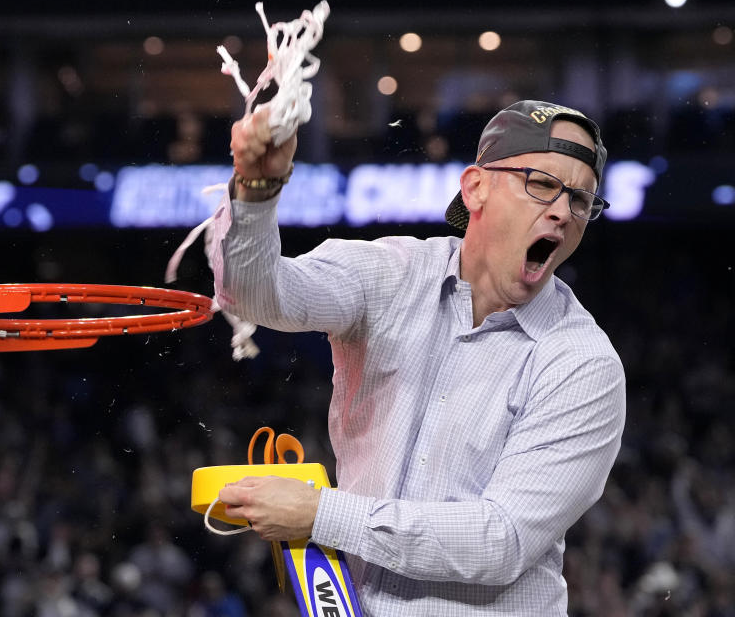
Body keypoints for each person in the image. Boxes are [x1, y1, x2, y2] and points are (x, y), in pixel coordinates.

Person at [212, 100, 626, 615]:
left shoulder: (583, 365)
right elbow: (254, 296)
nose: (563, 211)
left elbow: (501, 541)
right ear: (476, 187)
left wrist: (321, 515)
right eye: (541, 183)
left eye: (581, 199)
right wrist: (255, 189)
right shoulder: (391, 274)